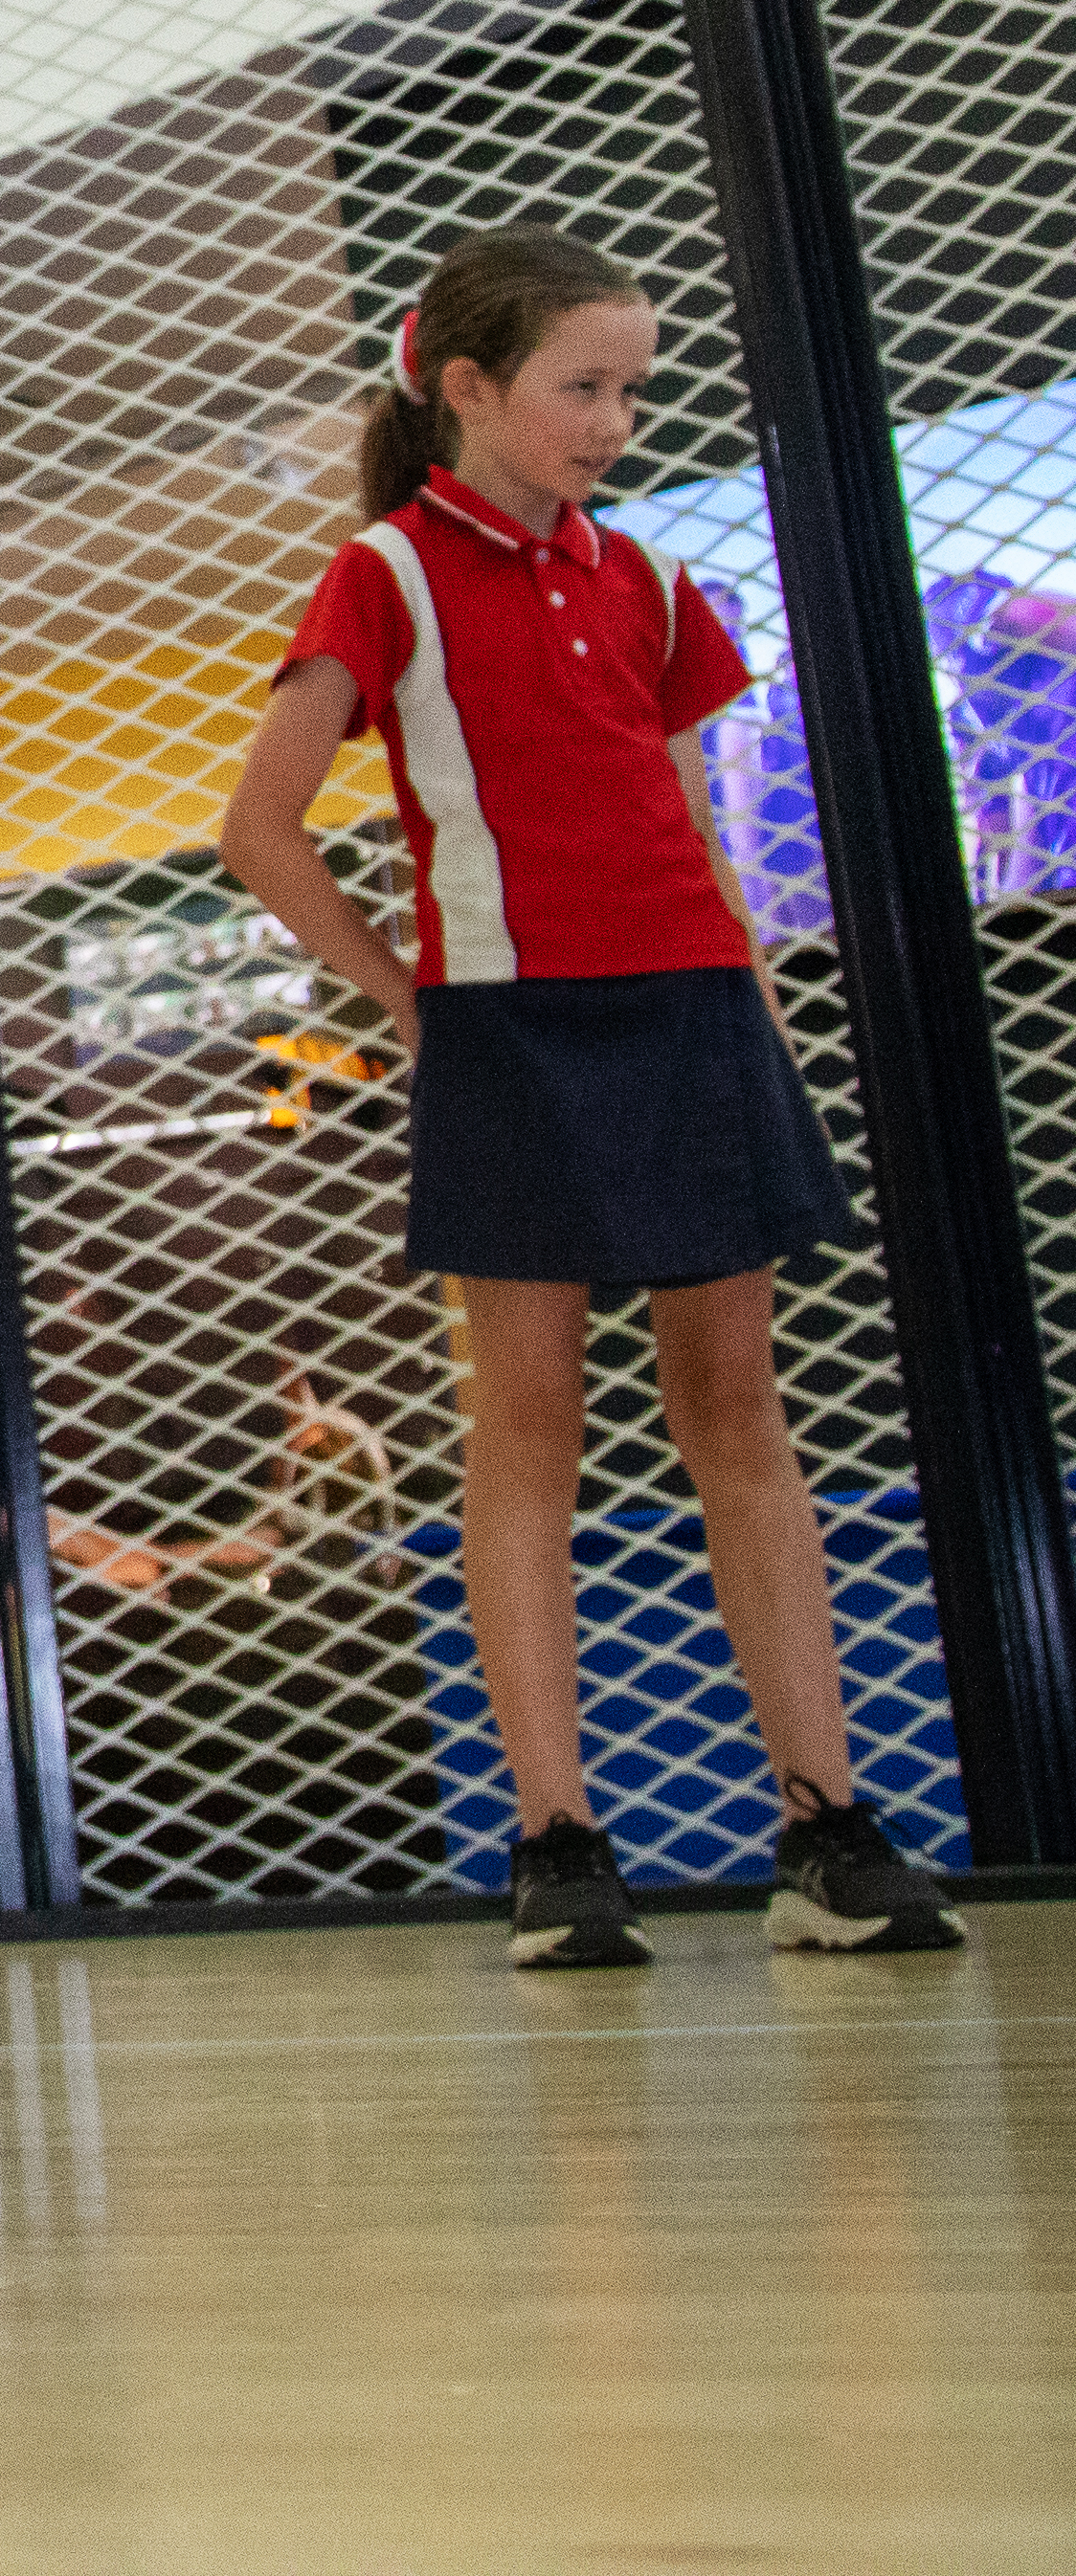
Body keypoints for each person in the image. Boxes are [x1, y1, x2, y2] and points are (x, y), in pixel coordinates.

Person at [216, 221, 961, 1974]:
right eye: (580, 387)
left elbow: (688, 818)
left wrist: (749, 1004)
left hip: (695, 1015)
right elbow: (258, 829)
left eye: (629, 387)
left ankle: (822, 1825)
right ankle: (554, 1843)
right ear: (465, 387)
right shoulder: (382, 573)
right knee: (525, 1430)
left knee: (737, 1410)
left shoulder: (639, 578)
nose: (613, 421)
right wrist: (412, 1003)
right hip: (514, 1034)